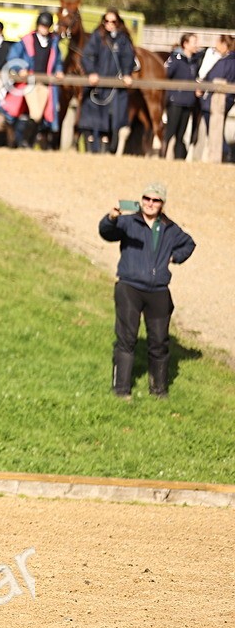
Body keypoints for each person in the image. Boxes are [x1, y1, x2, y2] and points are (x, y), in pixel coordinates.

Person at [99, 183, 195, 399]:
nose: (150, 204)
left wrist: (174, 257)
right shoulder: (128, 221)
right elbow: (106, 232)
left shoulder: (170, 228)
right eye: (147, 199)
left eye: (156, 200)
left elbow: (189, 244)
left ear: (162, 204)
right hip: (129, 288)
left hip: (159, 291)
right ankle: (121, 390)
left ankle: (159, 391)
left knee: (159, 342)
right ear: (141, 200)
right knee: (126, 339)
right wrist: (111, 217)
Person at [0, 11, 65, 149]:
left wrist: (59, 70)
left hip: (46, 84)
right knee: (35, 113)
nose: (44, 28)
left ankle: (27, 141)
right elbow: (13, 57)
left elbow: (58, 60)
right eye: (42, 25)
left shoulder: (53, 43)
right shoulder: (26, 41)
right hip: (29, 83)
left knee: (40, 116)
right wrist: (19, 69)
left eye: (47, 26)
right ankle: (24, 141)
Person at [79, 8, 136, 154]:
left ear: (118, 22)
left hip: (114, 86)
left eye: (113, 21)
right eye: (107, 21)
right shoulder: (97, 36)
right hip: (97, 85)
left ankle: (108, 148)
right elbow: (87, 56)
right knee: (92, 116)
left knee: (114, 117)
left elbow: (128, 58)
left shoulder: (123, 39)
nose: (109, 24)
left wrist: (126, 73)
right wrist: (91, 72)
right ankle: (91, 148)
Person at [161, 33, 201, 160]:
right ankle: (162, 156)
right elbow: (166, 74)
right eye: (194, 42)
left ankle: (179, 160)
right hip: (175, 100)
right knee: (170, 132)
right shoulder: (176, 58)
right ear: (185, 44)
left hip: (188, 101)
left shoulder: (195, 61)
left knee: (181, 134)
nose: (196, 45)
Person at [199, 34, 235, 163]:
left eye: (218, 43)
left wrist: (201, 91)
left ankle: (226, 155)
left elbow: (211, 78)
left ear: (225, 45)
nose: (215, 46)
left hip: (215, 101)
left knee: (214, 131)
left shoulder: (224, 62)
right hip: (228, 100)